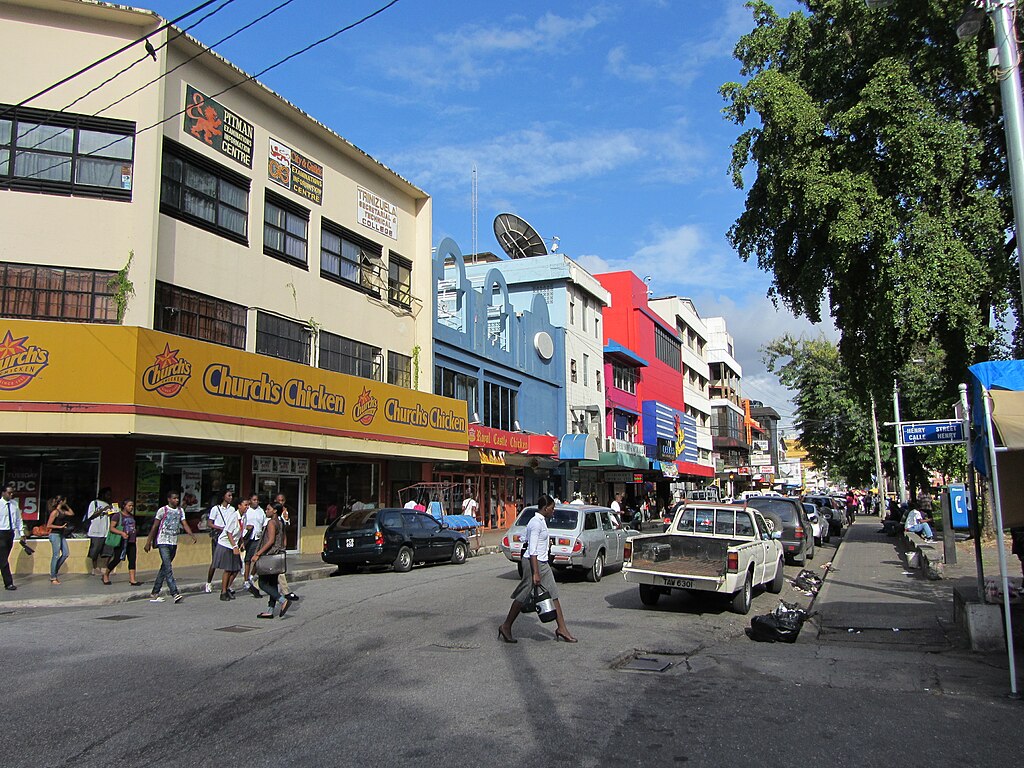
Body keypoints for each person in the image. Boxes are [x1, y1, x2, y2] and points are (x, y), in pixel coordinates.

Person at [498, 494, 577, 644]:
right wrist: (535, 572)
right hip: (533, 562)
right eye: (552, 509)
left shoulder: (540, 521)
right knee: (523, 594)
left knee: (553, 593)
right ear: (545, 508)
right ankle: (506, 626)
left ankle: (562, 628)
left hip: (542, 562)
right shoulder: (535, 523)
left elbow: (526, 539)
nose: (553, 511)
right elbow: (532, 550)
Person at [145, 491, 197, 603]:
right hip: (163, 541)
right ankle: (175, 593)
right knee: (168, 568)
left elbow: (184, 524)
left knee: (164, 568)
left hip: (173, 542)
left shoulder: (180, 511)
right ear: (169, 499)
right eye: (174, 498)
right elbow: (155, 526)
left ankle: (154, 592)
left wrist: (191, 535)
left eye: (177, 498)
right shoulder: (162, 510)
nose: (176, 500)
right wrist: (148, 541)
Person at [251, 502, 291, 619]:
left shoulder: (271, 523)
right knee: (273, 584)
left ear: (274, 511)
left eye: (268, 509)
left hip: (269, 555)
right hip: (277, 555)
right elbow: (283, 539)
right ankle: (270, 610)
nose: (266, 511)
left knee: (262, 583)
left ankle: (283, 600)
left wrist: (258, 554)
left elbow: (270, 540)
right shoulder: (280, 523)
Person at [101, 499, 139, 586]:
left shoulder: (131, 516)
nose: (131, 507)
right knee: (117, 559)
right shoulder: (118, 516)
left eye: (132, 506)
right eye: (129, 506)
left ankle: (132, 579)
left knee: (132, 559)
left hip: (131, 540)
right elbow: (112, 528)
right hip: (121, 541)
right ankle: (106, 574)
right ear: (124, 506)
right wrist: (122, 533)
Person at [204, 490, 235, 594]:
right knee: (215, 561)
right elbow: (209, 523)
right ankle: (208, 582)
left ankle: (227, 586)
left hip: (228, 538)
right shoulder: (216, 509)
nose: (231, 498)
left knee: (229, 562)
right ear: (223, 497)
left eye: (231, 496)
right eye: (229, 495)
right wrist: (220, 527)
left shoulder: (232, 509)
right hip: (218, 537)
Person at [272, 493, 299, 602]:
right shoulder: (271, 513)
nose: (281, 502)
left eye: (282, 500)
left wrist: (286, 518)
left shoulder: (284, 512)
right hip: (273, 545)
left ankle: (255, 585)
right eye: (279, 500)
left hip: (280, 544)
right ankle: (286, 592)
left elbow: (286, 527)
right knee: (278, 569)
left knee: (277, 569)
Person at [0, 483, 26, 590]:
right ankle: (8, 583)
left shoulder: (14, 504)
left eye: (12, 492)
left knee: (3, 558)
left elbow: (19, 520)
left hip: (10, 533)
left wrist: (22, 533)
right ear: (3, 493)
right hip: (1, 532)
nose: (11, 494)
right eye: (9, 492)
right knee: (3, 558)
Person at [241, 493, 267, 598]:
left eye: (257, 500)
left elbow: (264, 524)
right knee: (247, 559)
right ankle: (246, 579)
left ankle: (251, 575)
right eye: (254, 500)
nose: (256, 502)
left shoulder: (261, 511)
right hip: (248, 538)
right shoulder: (247, 511)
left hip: (258, 538)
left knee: (257, 558)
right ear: (250, 500)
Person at [45, 495, 73, 585]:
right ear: (61, 501)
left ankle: (54, 570)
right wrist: (60, 527)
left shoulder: (62, 511)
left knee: (65, 553)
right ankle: (53, 577)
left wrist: (66, 505)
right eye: (65, 501)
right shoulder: (55, 512)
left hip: (61, 534)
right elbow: (48, 525)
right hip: (54, 534)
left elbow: (72, 513)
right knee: (56, 555)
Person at [86, 487, 113, 575]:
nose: (109, 496)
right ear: (102, 494)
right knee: (95, 550)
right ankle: (95, 567)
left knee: (108, 550)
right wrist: (103, 510)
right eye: (107, 494)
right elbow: (91, 516)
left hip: (106, 531)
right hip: (96, 531)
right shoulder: (94, 503)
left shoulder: (108, 504)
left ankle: (105, 567)